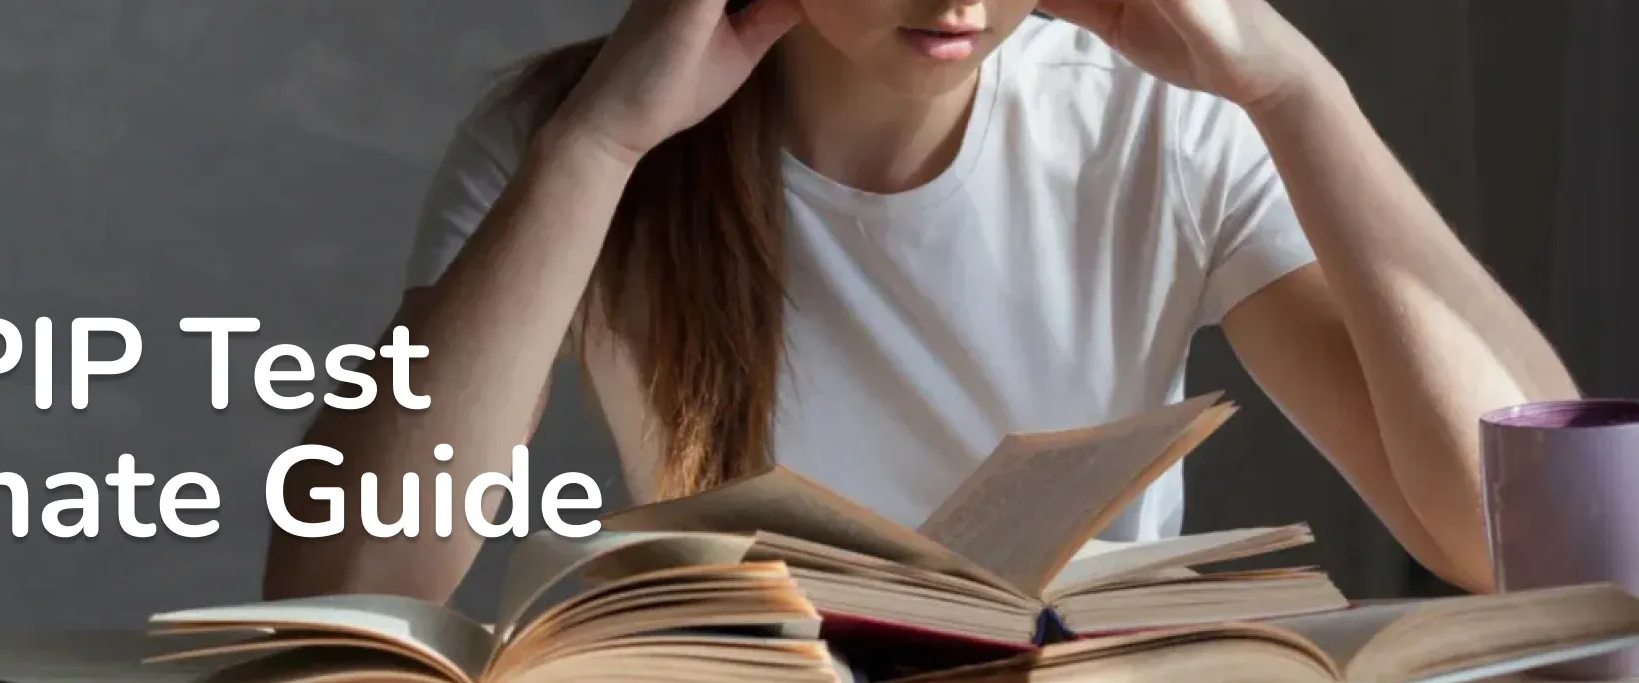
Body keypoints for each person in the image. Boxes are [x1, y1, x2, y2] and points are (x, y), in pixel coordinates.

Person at [263, 0, 1579, 604]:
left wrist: (1296, 92)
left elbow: (1531, 543)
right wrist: (599, 148)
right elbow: (351, 579)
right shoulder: (567, 137)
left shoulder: (1160, 132)